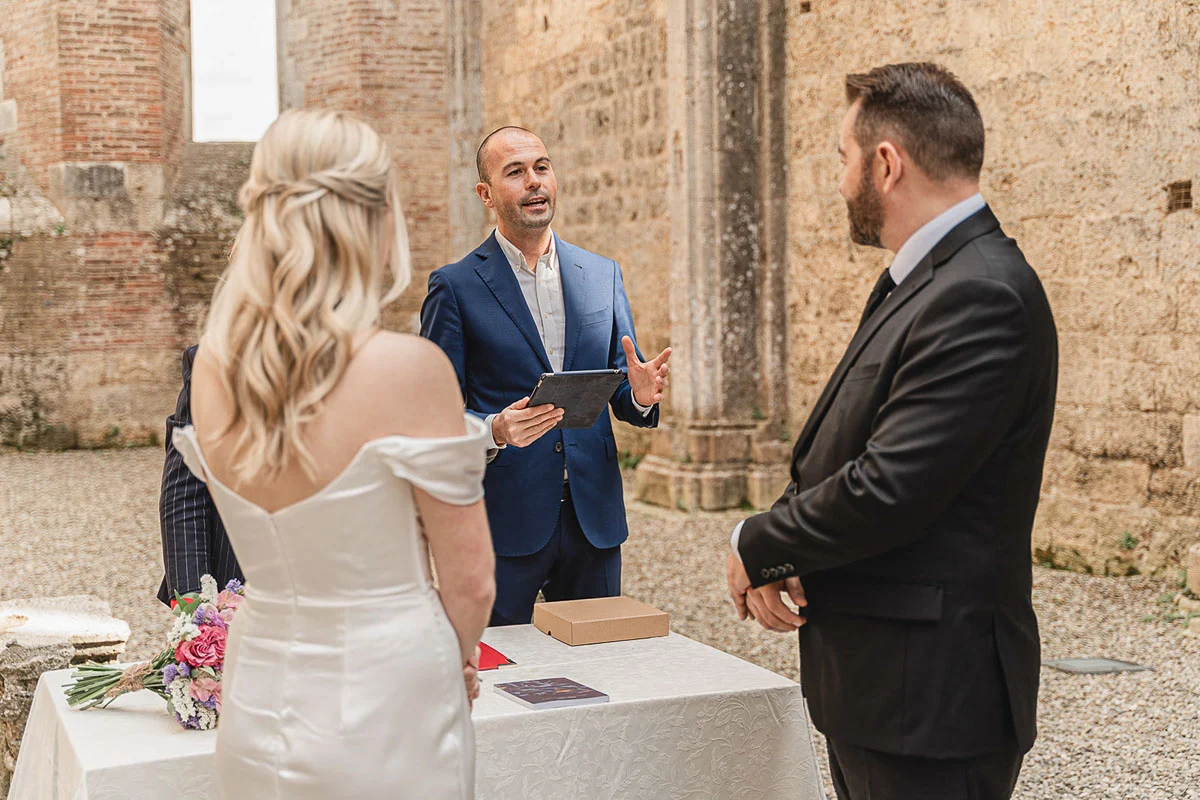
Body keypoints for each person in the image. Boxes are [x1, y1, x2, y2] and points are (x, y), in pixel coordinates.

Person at [726, 62, 1057, 800]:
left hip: (933, 701)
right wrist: (800, 544)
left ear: (885, 163)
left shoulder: (980, 293)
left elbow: (892, 486)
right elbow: (853, 446)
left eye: (843, 160)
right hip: (885, 688)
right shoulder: (929, 278)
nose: (841, 182)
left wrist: (760, 542)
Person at [174, 108, 495, 799]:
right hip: (387, 695)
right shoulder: (408, 369)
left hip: (259, 692)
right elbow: (471, 584)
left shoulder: (215, 369)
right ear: (377, 220)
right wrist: (458, 661)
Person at [420, 126, 670, 627]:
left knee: (600, 670)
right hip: (502, 521)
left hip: (593, 518)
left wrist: (639, 395)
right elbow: (432, 415)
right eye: (515, 172)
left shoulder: (603, 274)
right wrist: (493, 429)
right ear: (486, 195)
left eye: (542, 167)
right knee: (501, 676)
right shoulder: (455, 286)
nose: (534, 181)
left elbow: (620, 383)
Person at [156, 344, 243, 607]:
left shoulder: (367, 363)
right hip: (239, 595)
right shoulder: (214, 362)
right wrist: (193, 607)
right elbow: (185, 494)